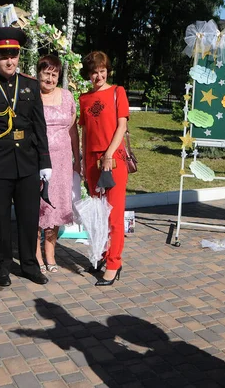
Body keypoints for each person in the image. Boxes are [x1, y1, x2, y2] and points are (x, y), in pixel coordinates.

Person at [0, 27, 52, 287]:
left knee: (28, 218)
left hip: (27, 163)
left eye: (13, 55)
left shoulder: (30, 85)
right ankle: (1, 266)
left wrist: (45, 162)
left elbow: (39, 126)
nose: (9, 61)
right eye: (4, 56)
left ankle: (29, 265)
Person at [79, 51, 129, 286]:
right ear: (88, 74)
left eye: (102, 70)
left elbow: (121, 126)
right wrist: (82, 160)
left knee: (114, 214)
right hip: (92, 161)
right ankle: (98, 254)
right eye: (94, 72)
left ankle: (114, 263)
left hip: (113, 159)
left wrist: (108, 154)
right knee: (97, 213)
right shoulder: (84, 98)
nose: (99, 75)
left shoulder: (118, 92)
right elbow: (85, 132)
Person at [36, 55, 80, 273]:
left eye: (54, 74)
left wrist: (77, 159)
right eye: (46, 73)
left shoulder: (67, 96)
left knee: (54, 207)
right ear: (39, 74)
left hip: (62, 162)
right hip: (37, 161)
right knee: (37, 208)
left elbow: (73, 130)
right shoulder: (32, 96)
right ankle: (36, 255)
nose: (50, 78)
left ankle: (50, 254)